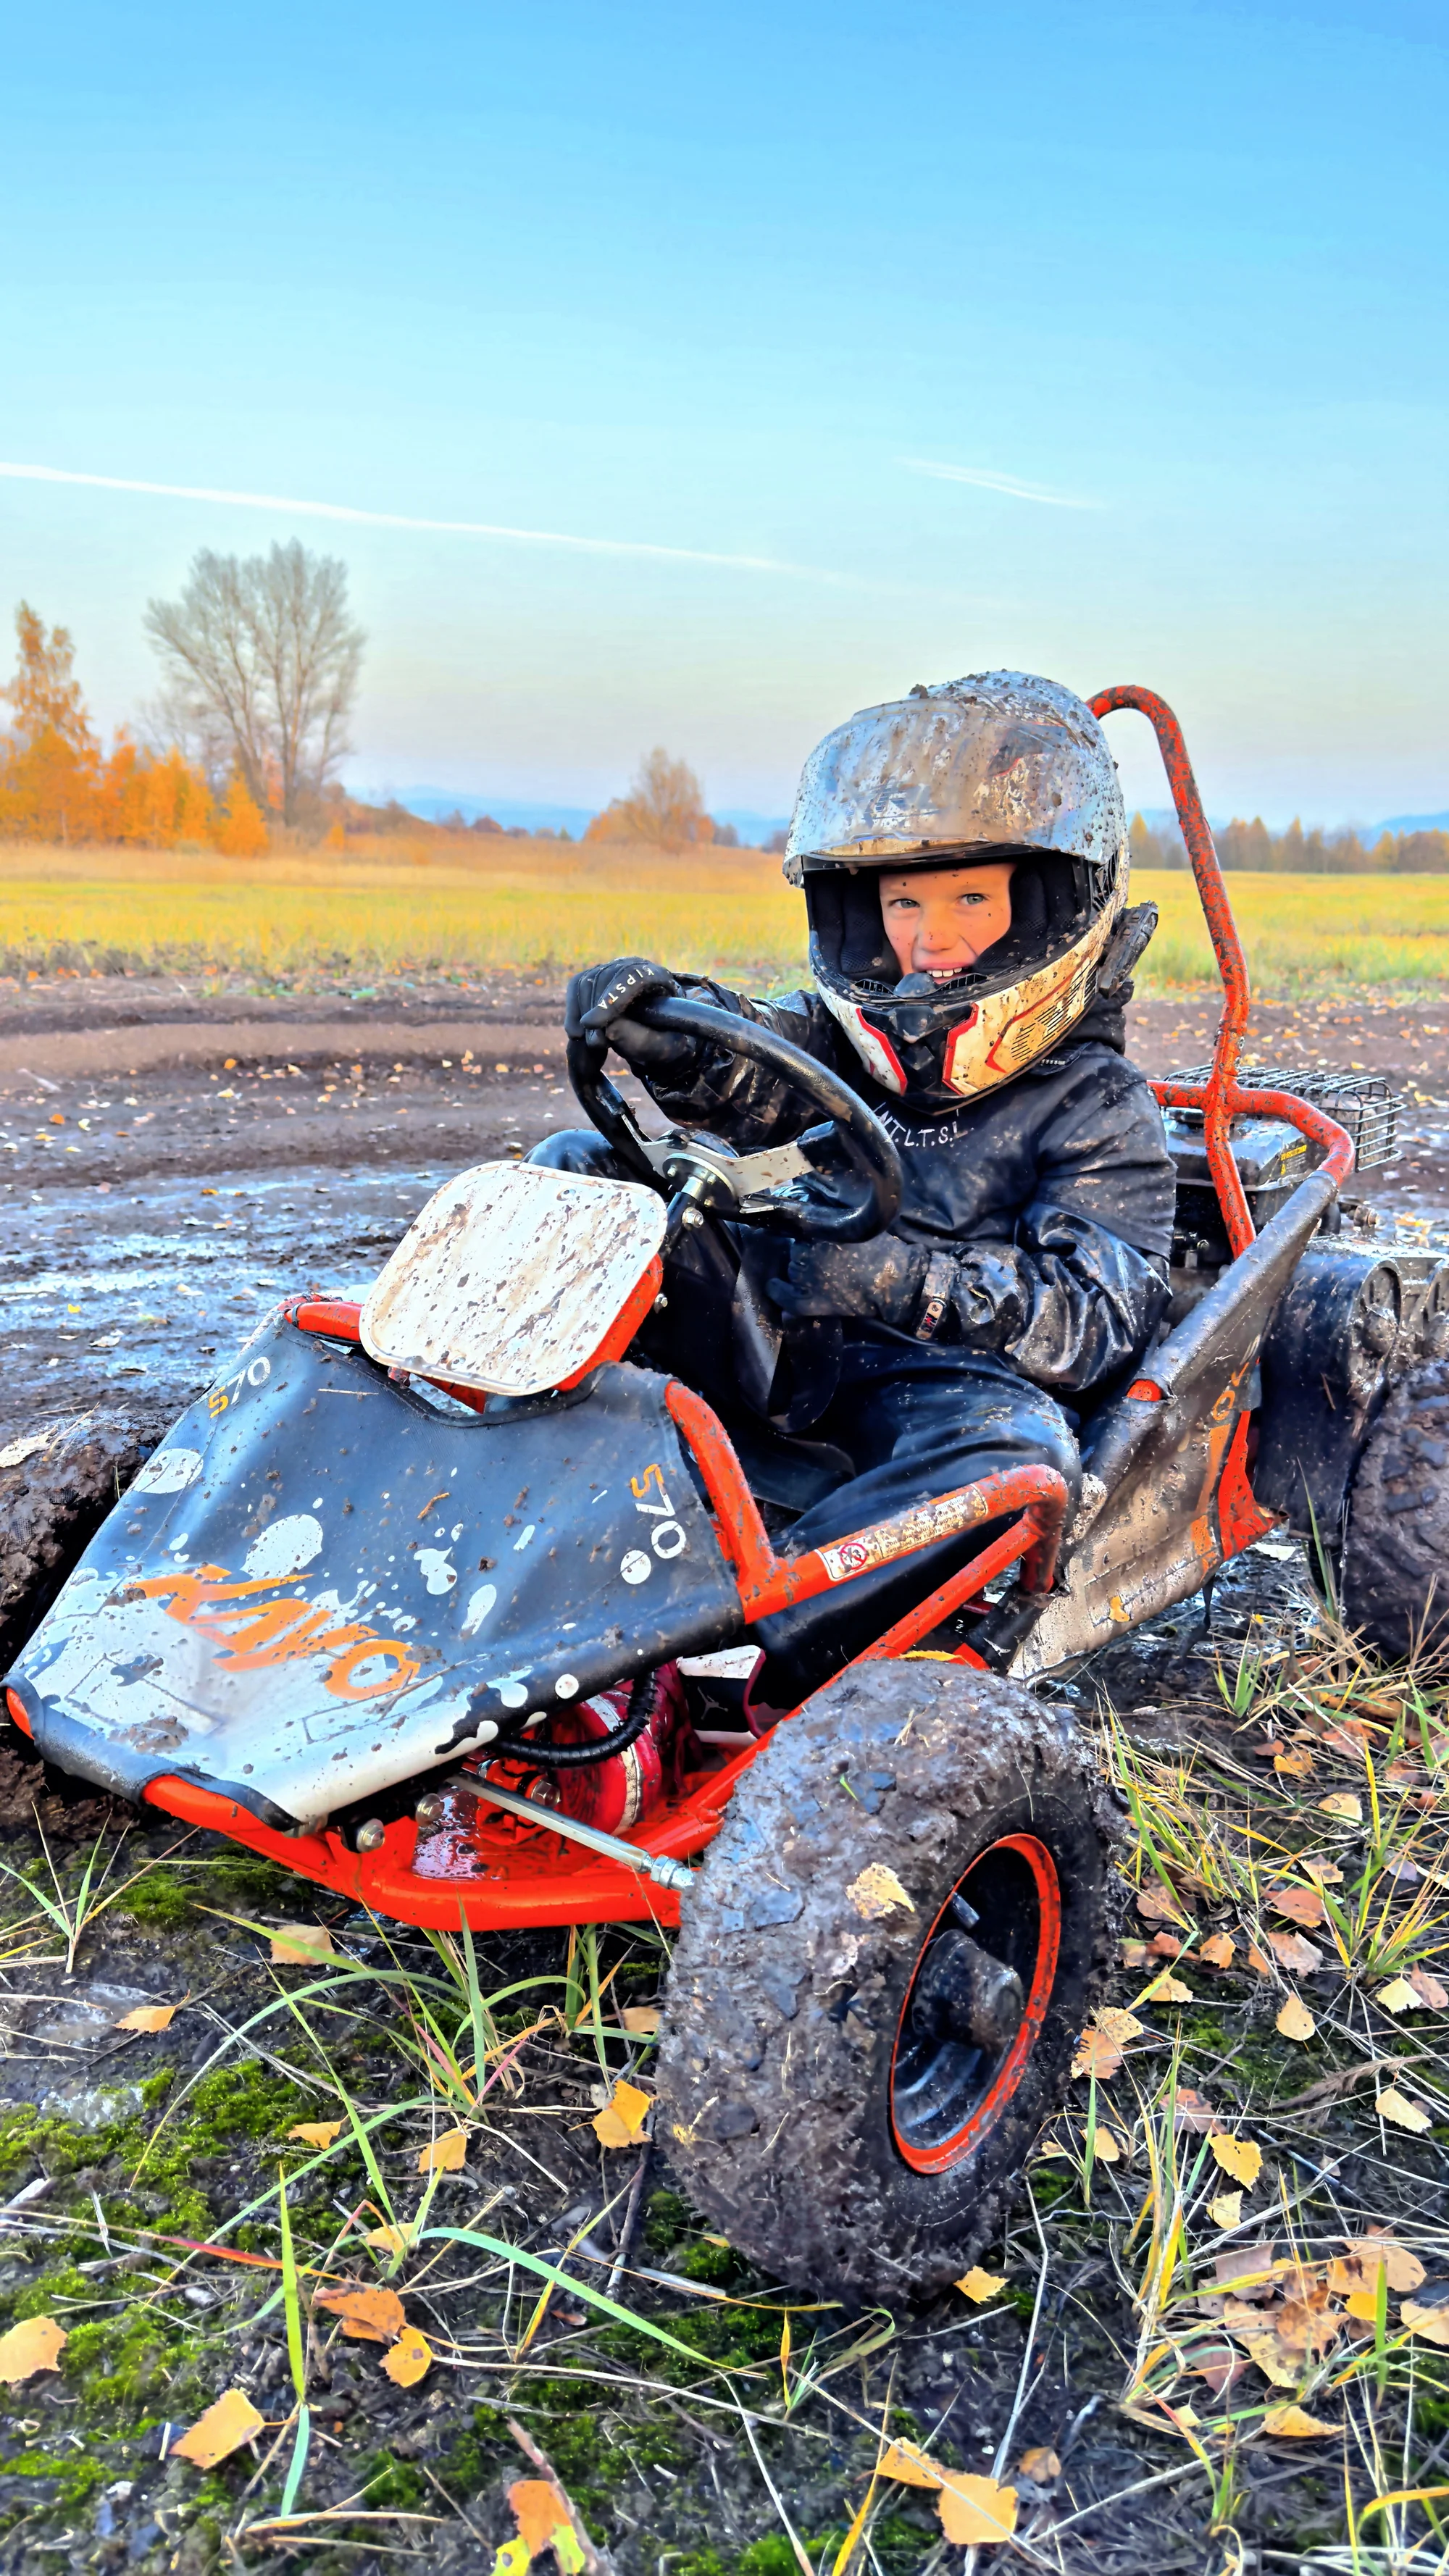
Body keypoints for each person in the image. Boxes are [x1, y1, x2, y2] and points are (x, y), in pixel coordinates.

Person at [540, 671, 1177, 1702]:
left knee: (1015, 1461)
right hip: (782, 1341)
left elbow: (1097, 1319)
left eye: (973, 897)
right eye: (904, 903)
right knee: (578, 1181)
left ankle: (739, 1653)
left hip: (939, 1389)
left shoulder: (1097, 1107)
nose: (931, 938)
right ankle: (489, 1492)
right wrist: (666, 1032)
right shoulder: (837, 1037)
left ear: (1050, 906)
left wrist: (900, 1282)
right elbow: (752, 1065)